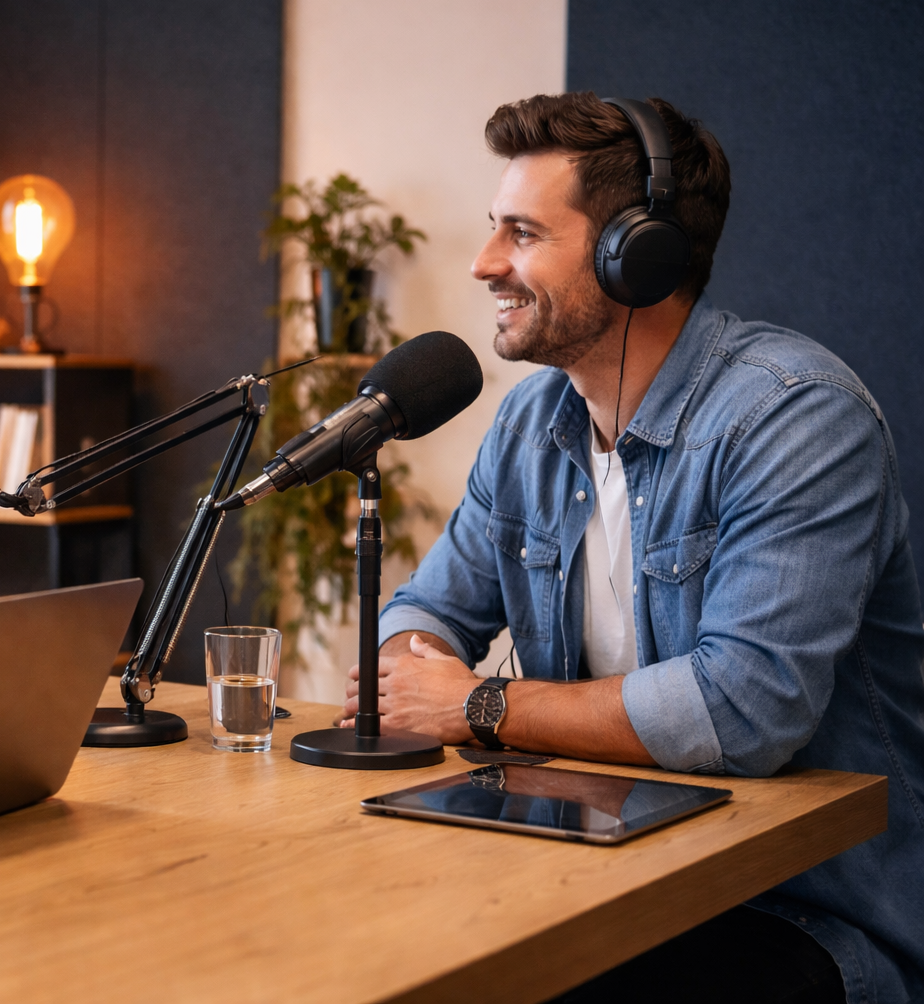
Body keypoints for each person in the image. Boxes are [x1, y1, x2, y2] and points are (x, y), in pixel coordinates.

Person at [351, 94, 923, 1003]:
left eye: (524, 233)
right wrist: (417, 674)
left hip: (792, 908)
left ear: (637, 258)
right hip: (594, 871)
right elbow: (428, 610)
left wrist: (479, 705)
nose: (483, 262)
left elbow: (743, 710)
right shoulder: (533, 422)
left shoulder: (797, 417)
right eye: (493, 228)